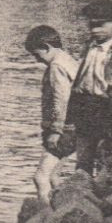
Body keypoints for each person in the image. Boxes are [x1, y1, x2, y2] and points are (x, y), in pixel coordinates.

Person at [23, 25, 79, 205]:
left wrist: (56, 130)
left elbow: (61, 99)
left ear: (47, 47)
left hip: (63, 129)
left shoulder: (56, 67)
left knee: (41, 177)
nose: (37, 60)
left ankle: (45, 218)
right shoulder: (68, 60)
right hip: (74, 127)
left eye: (37, 54)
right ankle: (63, 210)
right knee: (54, 175)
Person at [67, 0, 112, 173]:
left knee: (105, 160)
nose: (94, 30)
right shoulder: (89, 47)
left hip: (108, 109)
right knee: (83, 161)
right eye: (91, 25)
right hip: (85, 107)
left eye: (100, 25)